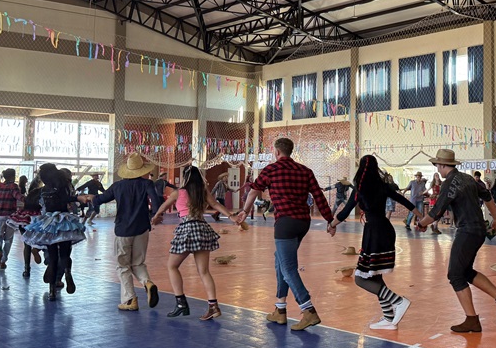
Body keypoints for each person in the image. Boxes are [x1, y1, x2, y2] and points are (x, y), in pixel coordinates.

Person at [234, 137, 335, 331]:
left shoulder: (271, 170)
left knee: (288, 268)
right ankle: (280, 309)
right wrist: (330, 220)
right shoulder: (305, 171)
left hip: (285, 224)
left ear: (276, 151)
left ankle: (308, 310)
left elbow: (254, 191)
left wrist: (245, 211)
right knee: (279, 261)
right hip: (303, 223)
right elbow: (319, 196)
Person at [415, 148, 496, 333]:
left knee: (455, 275)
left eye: (437, 165)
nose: (437, 168)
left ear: (442, 165)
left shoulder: (449, 183)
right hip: (479, 230)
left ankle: (472, 320)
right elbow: (488, 196)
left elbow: (436, 211)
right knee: (466, 271)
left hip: (467, 231)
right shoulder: (468, 179)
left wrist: (421, 224)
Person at [330, 155, 416, 330]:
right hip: (386, 230)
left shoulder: (360, 189)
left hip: (374, 233)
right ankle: (388, 317)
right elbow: (406, 202)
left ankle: (398, 301)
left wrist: (331, 225)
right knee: (375, 275)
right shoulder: (383, 186)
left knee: (360, 278)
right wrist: (423, 220)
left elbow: (345, 212)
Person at [153, 165, 235, 320]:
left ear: (185, 178)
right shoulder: (202, 191)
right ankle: (213, 306)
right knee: (204, 271)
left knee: (172, 266)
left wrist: (156, 215)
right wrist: (231, 217)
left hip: (187, 229)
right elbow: (216, 204)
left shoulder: (178, 192)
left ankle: (181, 303)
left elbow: (164, 205)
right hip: (202, 228)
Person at [91, 153, 162, 312]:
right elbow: (156, 201)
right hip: (142, 228)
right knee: (138, 263)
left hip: (123, 230)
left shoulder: (118, 186)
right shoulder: (147, 184)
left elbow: (101, 199)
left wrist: (92, 199)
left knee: (122, 266)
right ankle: (147, 283)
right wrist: (156, 215)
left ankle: (130, 299)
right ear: (141, 170)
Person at [21, 163, 88, 302]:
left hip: (49, 222)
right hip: (64, 221)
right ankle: (67, 272)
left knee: (52, 258)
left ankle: (52, 292)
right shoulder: (63, 187)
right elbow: (64, 199)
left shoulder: (44, 190)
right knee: (65, 254)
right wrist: (77, 198)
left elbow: (33, 203)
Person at [0, 169, 24, 270]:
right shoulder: (13, 186)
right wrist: (27, 200)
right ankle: (3, 261)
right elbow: (18, 196)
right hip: (10, 216)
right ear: (13, 176)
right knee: (8, 239)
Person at [9, 175, 44, 279]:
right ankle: (36, 249)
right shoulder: (44, 193)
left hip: (24, 217)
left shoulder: (31, 194)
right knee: (43, 239)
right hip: (37, 217)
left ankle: (26, 269)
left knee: (26, 244)